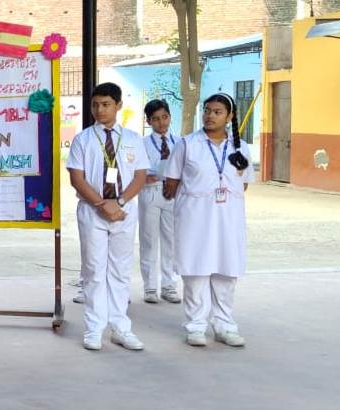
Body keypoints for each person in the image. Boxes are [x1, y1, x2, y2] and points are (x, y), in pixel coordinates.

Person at [164, 93, 253, 348]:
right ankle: (195, 326)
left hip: (227, 218)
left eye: (217, 112)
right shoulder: (187, 144)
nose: (210, 116)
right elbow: (172, 181)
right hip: (196, 218)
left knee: (226, 270)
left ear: (230, 117)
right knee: (196, 270)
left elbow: (243, 183)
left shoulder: (240, 147)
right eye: (207, 110)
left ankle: (225, 325)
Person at [67, 83, 150, 351]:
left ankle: (120, 328)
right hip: (93, 211)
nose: (100, 110)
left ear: (118, 106)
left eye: (106, 104)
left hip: (124, 211)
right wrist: (103, 204)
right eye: (95, 105)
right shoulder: (83, 139)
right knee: (93, 271)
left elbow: (140, 176)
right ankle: (94, 328)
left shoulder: (134, 139)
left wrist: (120, 202)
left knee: (120, 271)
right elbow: (77, 179)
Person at [138, 99, 182, 304]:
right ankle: (149, 286)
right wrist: (146, 176)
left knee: (171, 240)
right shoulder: (142, 143)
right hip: (151, 191)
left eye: (164, 117)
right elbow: (136, 168)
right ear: (149, 121)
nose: (161, 123)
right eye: (155, 119)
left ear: (170, 117)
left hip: (173, 194)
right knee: (149, 240)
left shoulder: (179, 142)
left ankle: (169, 285)